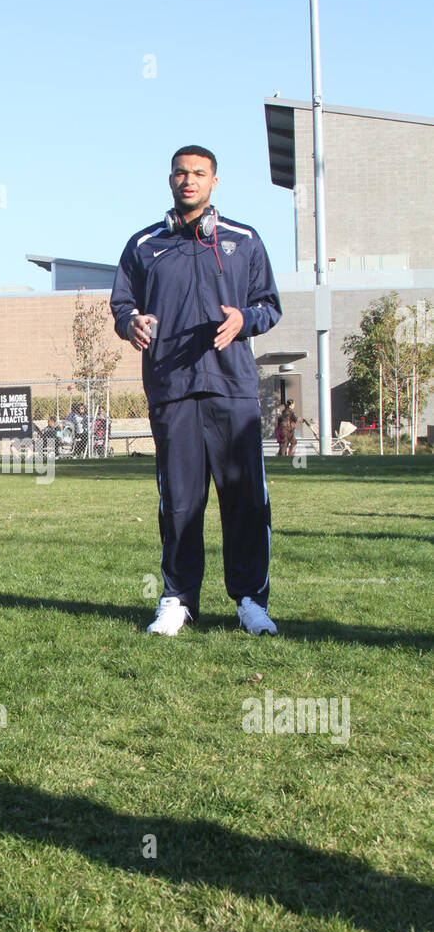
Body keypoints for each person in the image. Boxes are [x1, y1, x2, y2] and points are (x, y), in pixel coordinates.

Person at [110, 145, 282, 636]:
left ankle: (250, 600)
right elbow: (121, 302)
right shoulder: (144, 244)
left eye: (199, 173)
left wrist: (244, 319)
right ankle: (178, 599)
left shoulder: (244, 240)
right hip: (172, 390)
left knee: (245, 500)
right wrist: (131, 323)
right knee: (180, 503)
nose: (190, 180)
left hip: (232, 389)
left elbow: (269, 305)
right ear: (170, 181)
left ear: (214, 182)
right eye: (182, 173)